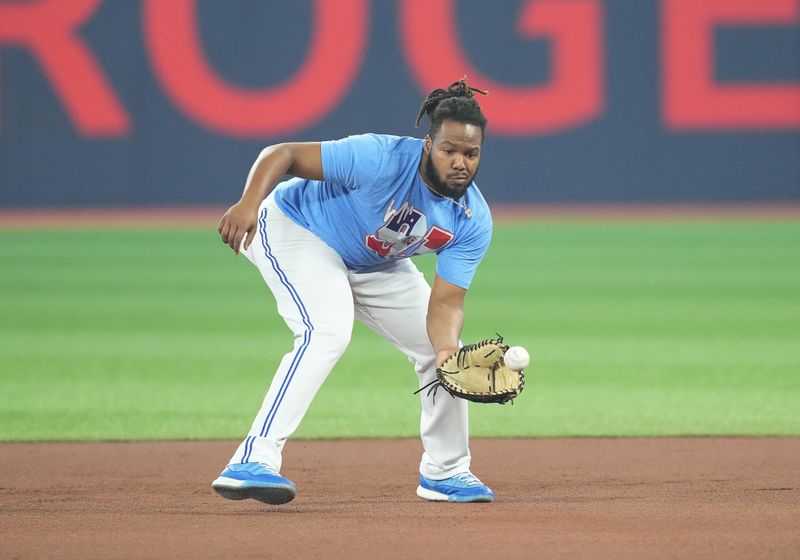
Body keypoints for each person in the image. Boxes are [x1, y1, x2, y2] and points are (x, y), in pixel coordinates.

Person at [212, 77, 495, 504]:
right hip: (300, 228)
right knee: (327, 331)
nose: (460, 162)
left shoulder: (472, 219)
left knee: (442, 355)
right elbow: (283, 153)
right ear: (427, 146)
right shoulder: (379, 157)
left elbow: (447, 303)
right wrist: (249, 202)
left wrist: (444, 348)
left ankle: (446, 471)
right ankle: (253, 459)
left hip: (375, 261)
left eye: (470, 153)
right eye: (449, 149)